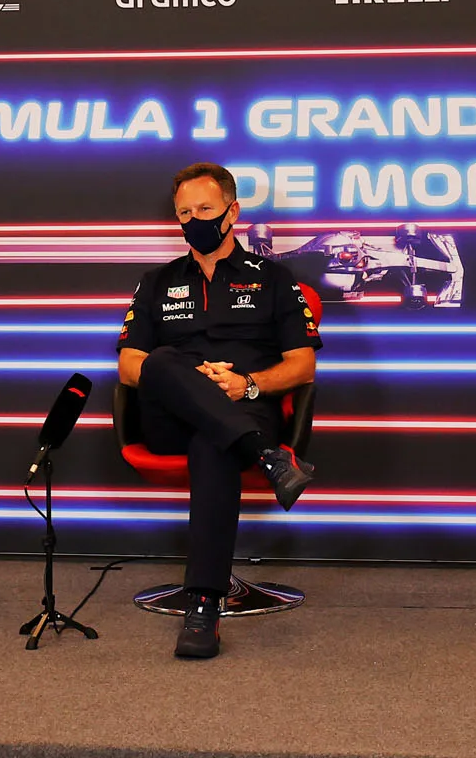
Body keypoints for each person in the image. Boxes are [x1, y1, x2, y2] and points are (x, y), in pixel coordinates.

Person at [117, 162, 321, 659]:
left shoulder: (275, 279)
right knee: (161, 361)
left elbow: (302, 365)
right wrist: (199, 379)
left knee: (214, 442)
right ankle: (268, 457)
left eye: (204, 209)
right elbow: (129, 366)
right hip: (169, 415)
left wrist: (247, 383)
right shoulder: (156, 281)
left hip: (246, 405)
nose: (194, 220)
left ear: (232, 212)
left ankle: (203, 605)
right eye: (184, 213)